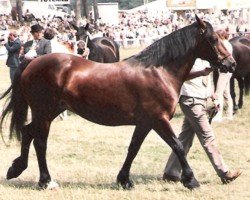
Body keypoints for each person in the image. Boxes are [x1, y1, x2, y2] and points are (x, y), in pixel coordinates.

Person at [163, 58, 242, 184]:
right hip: (191, 100)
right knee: (207, 137)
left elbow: (207, 78)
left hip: (201, 99)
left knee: (185, 138)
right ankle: (224, 173)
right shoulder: (187, 56)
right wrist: (201, 73)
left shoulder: (203, 55)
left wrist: (213, 95)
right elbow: (180, 76)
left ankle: (171, 172)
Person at [213, 29, 234, 122]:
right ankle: (230, 114)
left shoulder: (223, 44)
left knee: (218, 93)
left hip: (224, 71)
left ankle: (218, 115)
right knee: (226, 93)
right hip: (228, 71)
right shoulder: (228, 43)